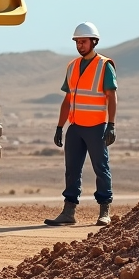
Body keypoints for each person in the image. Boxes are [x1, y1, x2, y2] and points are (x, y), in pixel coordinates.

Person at [44, 22, 118, 227]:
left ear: (94, 41)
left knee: (101, 169)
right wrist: (60, 126)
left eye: (83, 41)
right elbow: (68, 99)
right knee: (72, 170)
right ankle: (68, 212)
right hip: (75, 127)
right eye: (77, 42)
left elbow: (112, 97)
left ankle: (104, 212)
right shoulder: (72, 66)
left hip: (96, 127)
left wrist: (111, 124)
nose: (80, 45)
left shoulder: (104, 65)